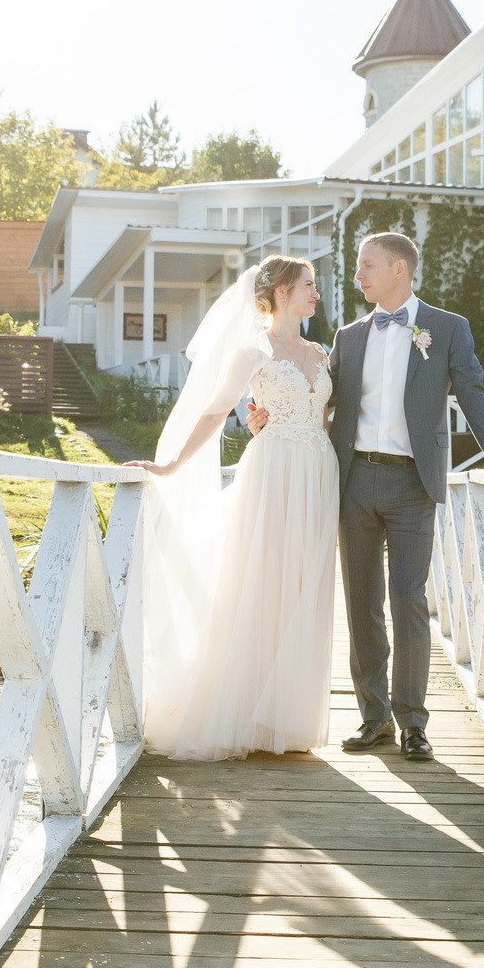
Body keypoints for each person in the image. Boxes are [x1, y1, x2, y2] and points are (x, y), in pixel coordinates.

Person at [251, 231, 484, 762]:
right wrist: (261, 413)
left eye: (367, 266)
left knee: (408, 599)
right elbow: (314, 395)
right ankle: (373, 717)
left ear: (399, 268)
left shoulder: (447, 329)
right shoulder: (348, 337)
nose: (358, 276)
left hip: (411, 484)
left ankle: (414, 723)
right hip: (352, 480)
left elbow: (472, 394)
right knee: (361, 603)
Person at [125, 255, 339, 760]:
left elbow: (326, 415)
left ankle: (286, 719)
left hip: (318, 471)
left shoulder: (320, 351)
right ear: (282, 292)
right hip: (272, 471)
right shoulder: (253, 350)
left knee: (306, 586)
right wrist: (172, 463)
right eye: (309, 285)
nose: (316, 293)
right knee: (261, 581)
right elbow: (217, 409)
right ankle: (243, 714)